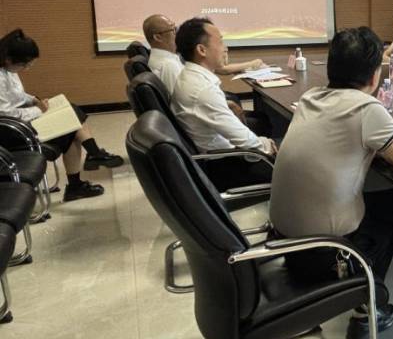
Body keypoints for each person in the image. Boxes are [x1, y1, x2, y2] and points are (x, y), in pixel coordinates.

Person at [270, 26, 393, 339]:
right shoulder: (366, 109)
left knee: (388, 197)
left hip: (283, 240)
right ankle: (368, 310)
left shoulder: (310, 97)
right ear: (375, 75)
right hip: (324, 254)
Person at [0, 29, 123, 201]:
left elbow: (17, 95)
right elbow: (5, 114)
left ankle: (83, 171)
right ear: (8, 59)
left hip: (21, 123)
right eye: (24, 65)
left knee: (71, 114)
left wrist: (34, 100)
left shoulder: (8, 70)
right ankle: (90, 159)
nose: (26, 69)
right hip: (12, 133)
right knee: (71, 126)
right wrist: (39, 110)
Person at [171, 18, 277, 190]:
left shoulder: (190, 76)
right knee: (294, 162)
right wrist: (268, 146)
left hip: (214, 155)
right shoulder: (203, 89)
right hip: (222, 165)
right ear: (201, 50)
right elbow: (248, 143)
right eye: (220, 41)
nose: (225, 48)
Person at [142, 14, 266, 95]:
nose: (177, 33)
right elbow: (179, 102)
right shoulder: (168, 65)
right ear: (157, 37)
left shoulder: (166, 58)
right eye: (173, 29)